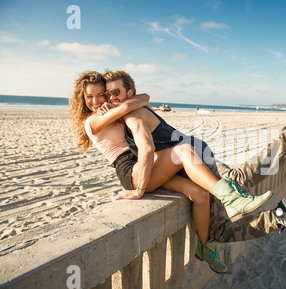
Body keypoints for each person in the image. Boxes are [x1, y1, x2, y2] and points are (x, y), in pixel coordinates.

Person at [100, 70, 286, 257]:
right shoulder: (136, 106)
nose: (112, 98)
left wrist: (139, 189)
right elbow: (143, 99)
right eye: (108, 95)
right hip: (196, 154)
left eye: (116, 92)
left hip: (193, 158)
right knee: (229, 199)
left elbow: (146, 144)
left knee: (234, 190)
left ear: (129, 91)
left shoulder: (133, 113)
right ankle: (278, 216)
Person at [69, 71, 274, 273]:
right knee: (183, 151)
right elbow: (134, 104)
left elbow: (142, 99)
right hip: (132, 170)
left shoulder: (115, 110)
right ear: (82, 98)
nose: (96, 100)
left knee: (201, 195)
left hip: (151, 164)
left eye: (100, 95)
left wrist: (132, 100)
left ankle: (206, 247)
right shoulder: (92, 121)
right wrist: (139, 189)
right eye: (89, 96)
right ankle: (231, 198)